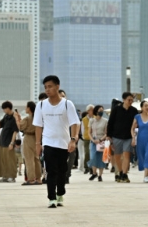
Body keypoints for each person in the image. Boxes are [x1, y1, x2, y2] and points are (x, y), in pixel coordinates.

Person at [33, 75, 81, 208]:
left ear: (57, 86)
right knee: (50, 170)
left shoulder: (67, 104)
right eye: (45, 87)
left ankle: (60, 193)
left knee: (62, 171)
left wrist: (73, 140)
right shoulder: (41, 105)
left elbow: (75, 123)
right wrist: (38, 144)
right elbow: (38, 126)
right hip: (48, 142)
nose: (47, 90)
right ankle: (52, 198)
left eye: (50, 86)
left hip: (64, 143)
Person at [107, 92, 138, 183]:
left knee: (126, 155)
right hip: (116, 136)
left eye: (132, 100)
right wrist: (109, 136)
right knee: (117, 155)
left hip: (128, 136)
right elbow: (110, 122)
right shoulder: (116, 109)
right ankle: (120, 172)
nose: (130, 102)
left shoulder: (134, 111)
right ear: (124, 100)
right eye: (129, 100)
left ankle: (124, 174)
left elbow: (137, 123)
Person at [0, 102, 19, 183]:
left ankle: (11, 176)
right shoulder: (6, 116)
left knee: (10, 161)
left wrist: (12, 143)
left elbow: (15, 131)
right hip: (2, 142)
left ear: (8, 108)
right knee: (3, 161)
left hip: (8, 142)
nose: (3, 110)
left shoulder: (14, 117)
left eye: (4, 109)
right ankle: (5, 176)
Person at [19, 102, 41, 185]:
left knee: (29, 159)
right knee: (36, 159)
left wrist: (17, 119)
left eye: (26, 107)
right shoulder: (37, 117)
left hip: (28, 137)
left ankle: (31, 179)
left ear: (29, 108)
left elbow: (20, 127)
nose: (25, 108)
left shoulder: (27, 119)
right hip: (36, 138)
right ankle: (38, 178)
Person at [88, 105, 107, 181]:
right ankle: (94, 173)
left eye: (102, 110)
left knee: (101, 158)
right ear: (96, 111)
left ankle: (100, 175)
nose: (101, 112)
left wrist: (100, 139)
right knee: (93, 157)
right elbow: (89, 132)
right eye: (100, 110)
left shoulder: (105, 121)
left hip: (101, 141)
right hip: (93, 141)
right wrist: (93, 140)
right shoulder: (92, 120)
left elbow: (106, 133)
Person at [80, 105, 94, 174]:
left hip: (94, 138)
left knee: (92, 153)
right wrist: (83, 136)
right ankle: (86, 167)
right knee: (87, 153)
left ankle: (91, 168)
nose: (93, 111)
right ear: (88, 111)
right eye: (91, 110)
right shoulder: (84, 119)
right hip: (86, 138)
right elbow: (82, 129)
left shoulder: (95, 118)